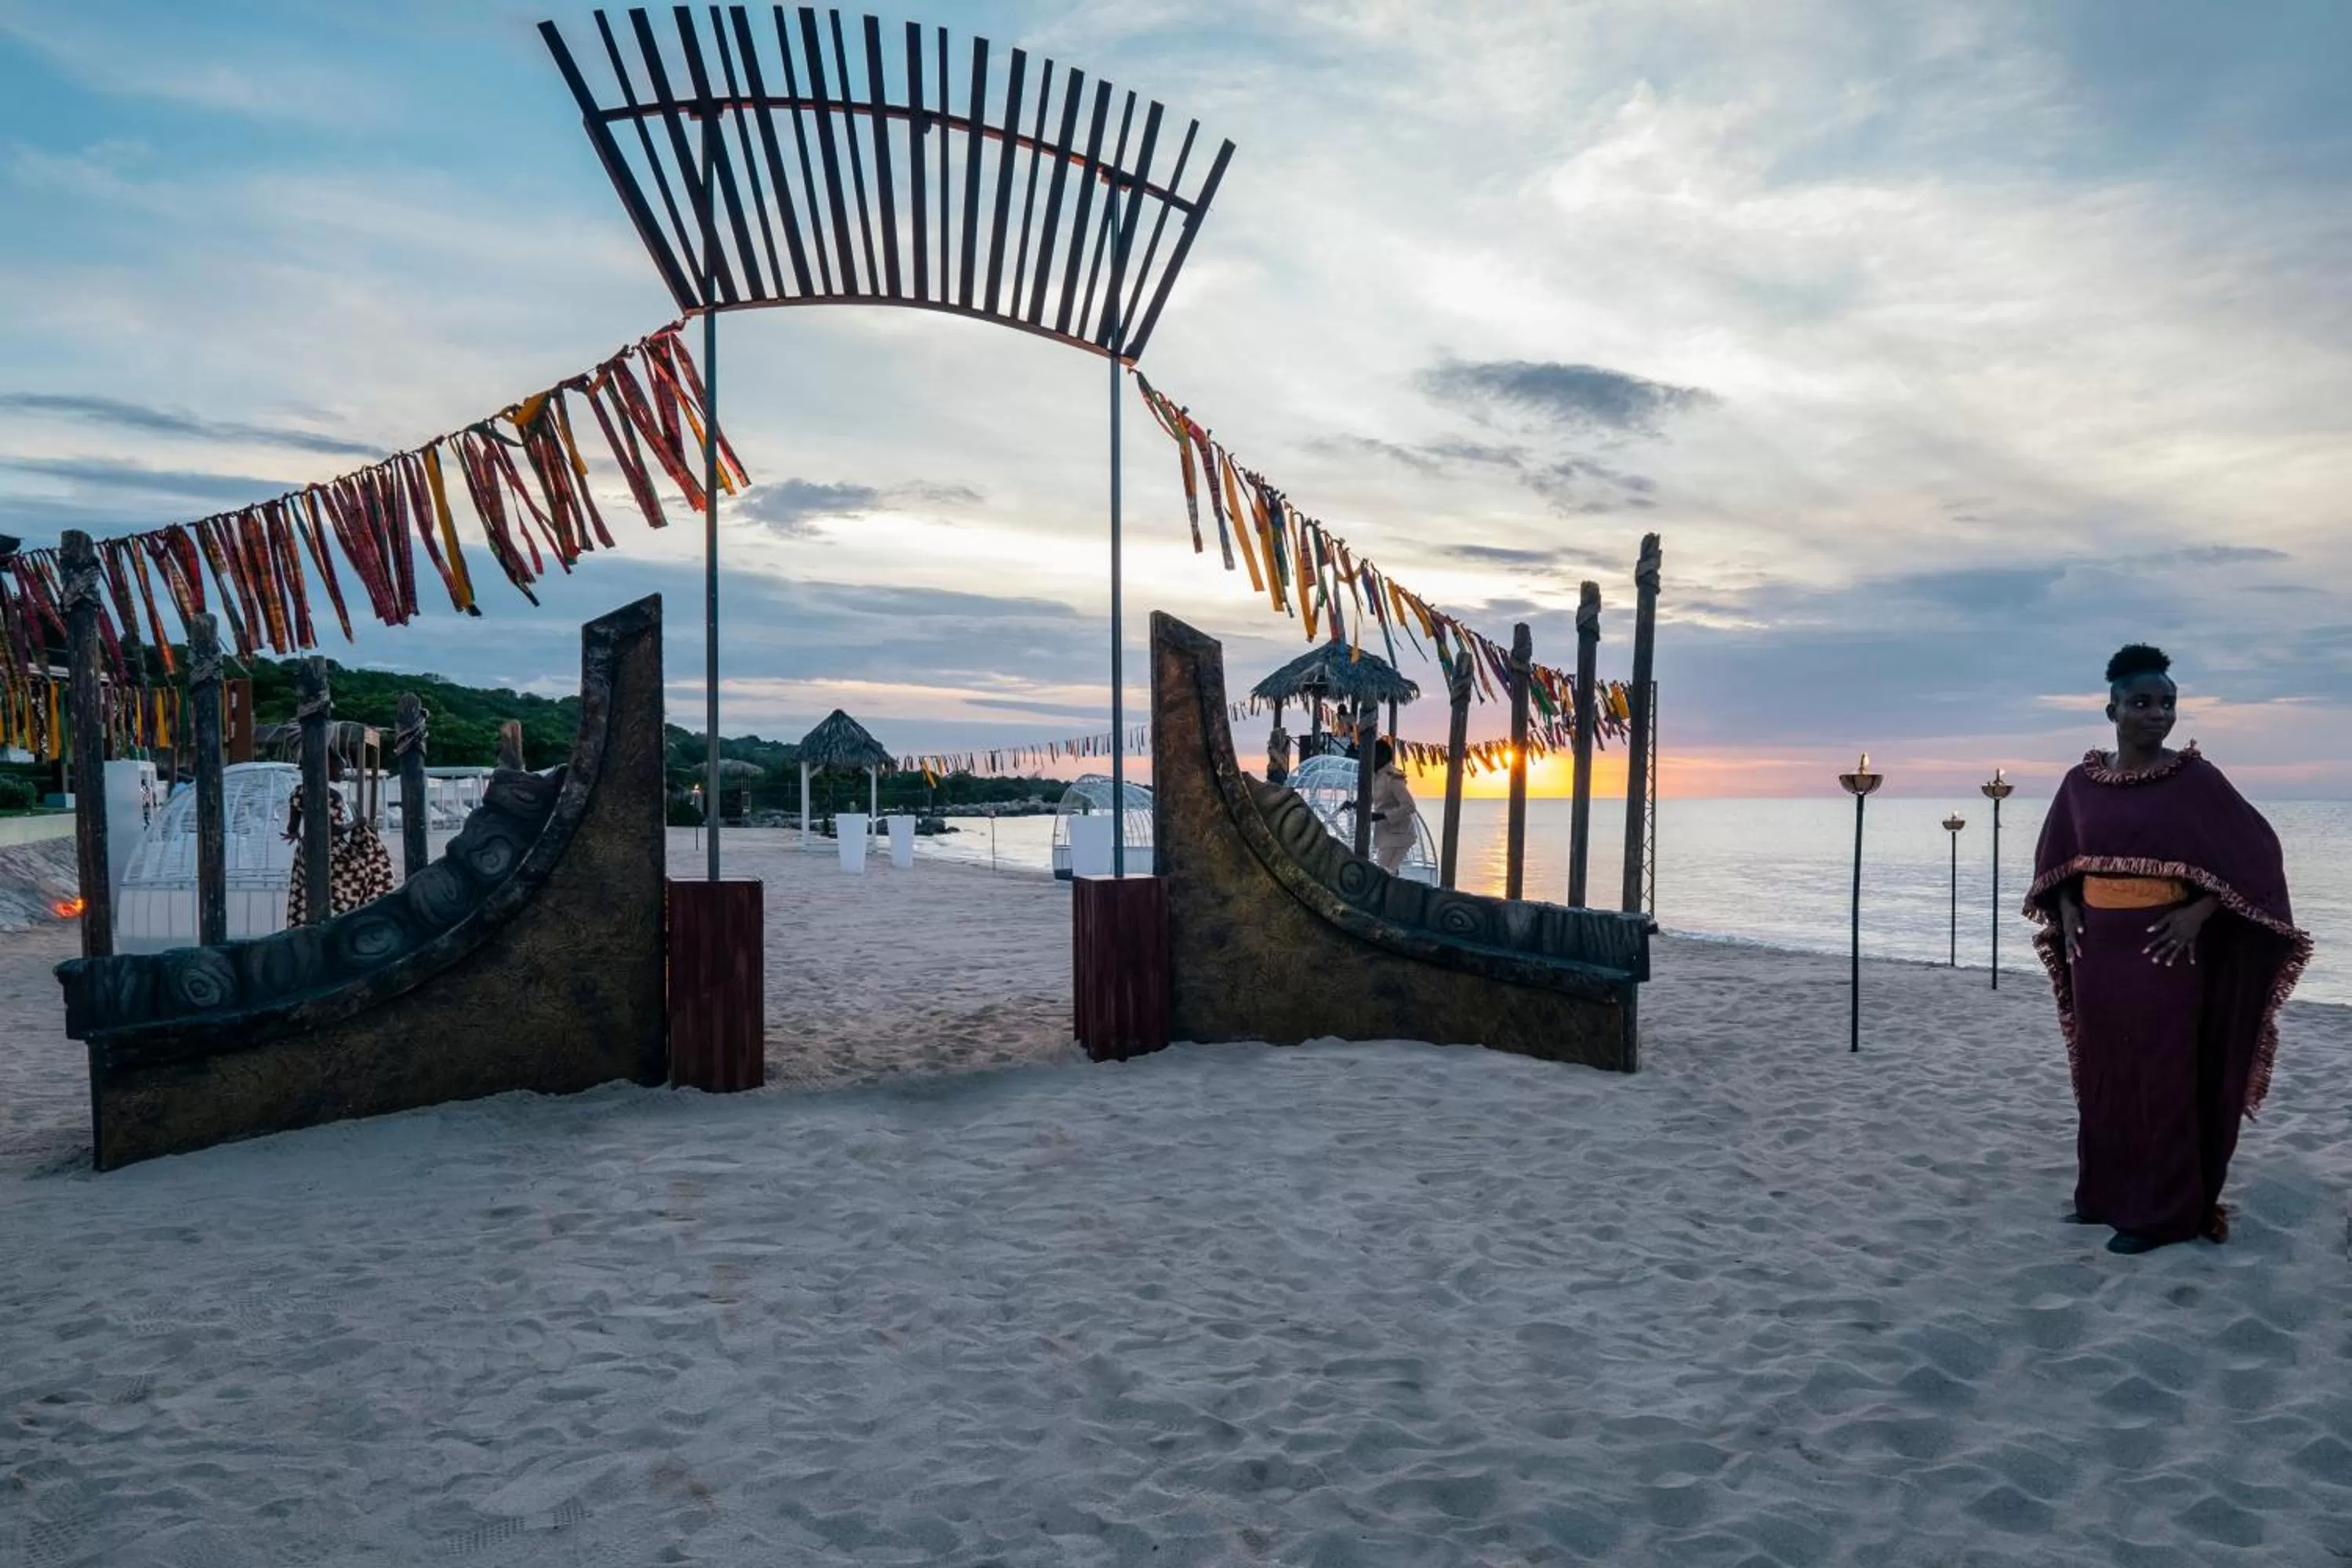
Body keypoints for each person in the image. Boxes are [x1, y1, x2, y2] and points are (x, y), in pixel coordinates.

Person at [2026, 644, 2311, 1255]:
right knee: (2106, 1073)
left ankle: (2165, 1214)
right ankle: (2103, 1197)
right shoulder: (2082, 784)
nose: (2157, 714)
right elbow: (2059, 860)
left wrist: (2199, 912)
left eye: (2167, 704)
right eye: (2142, 703)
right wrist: (2070, 907)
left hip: (2165, 955)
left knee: (2162, 1075)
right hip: (2099, 954)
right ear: (2112, 711)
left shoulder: (2196, 781)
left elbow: (2258, 857)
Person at [284, 757, 397, 927]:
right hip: (332, 850)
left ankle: (306, 922)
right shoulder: (332, 796)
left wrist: (294, 834)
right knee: (368, 868)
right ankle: (351, 913)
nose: (342, 774)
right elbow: (334, 829)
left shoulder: (298, 792)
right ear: (327, 770)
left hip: (306, 850)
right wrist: (357, 823)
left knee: (306, 892)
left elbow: (292, 826)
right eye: (340, 770)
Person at [1368, 739, 1419, 873]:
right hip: (1386, 837)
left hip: (1398, 837)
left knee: (1381, 875)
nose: (1370, 758)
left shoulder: (1392, 778)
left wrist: (1382, 816)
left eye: (1373, 754)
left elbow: (1409, 806)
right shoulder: (1377, 778)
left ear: (1383, 757)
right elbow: (1381, 801)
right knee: (1385, 875)